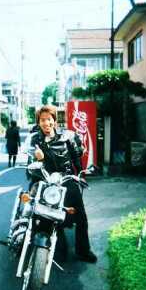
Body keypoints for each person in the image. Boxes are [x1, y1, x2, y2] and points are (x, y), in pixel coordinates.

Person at [25, 105, 97, 263]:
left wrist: (81, 175)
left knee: (81, 217)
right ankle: (37, 244)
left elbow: (77, 158)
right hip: (45, 181)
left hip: (66, 179)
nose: (46, 123)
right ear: (38, 122)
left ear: (54, 121)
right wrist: (39, 159)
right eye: (42, 120)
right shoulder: (34, 140)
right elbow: (29, 169)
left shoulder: (67, 137)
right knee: (39, 213)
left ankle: (83, 251)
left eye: (48, 119)